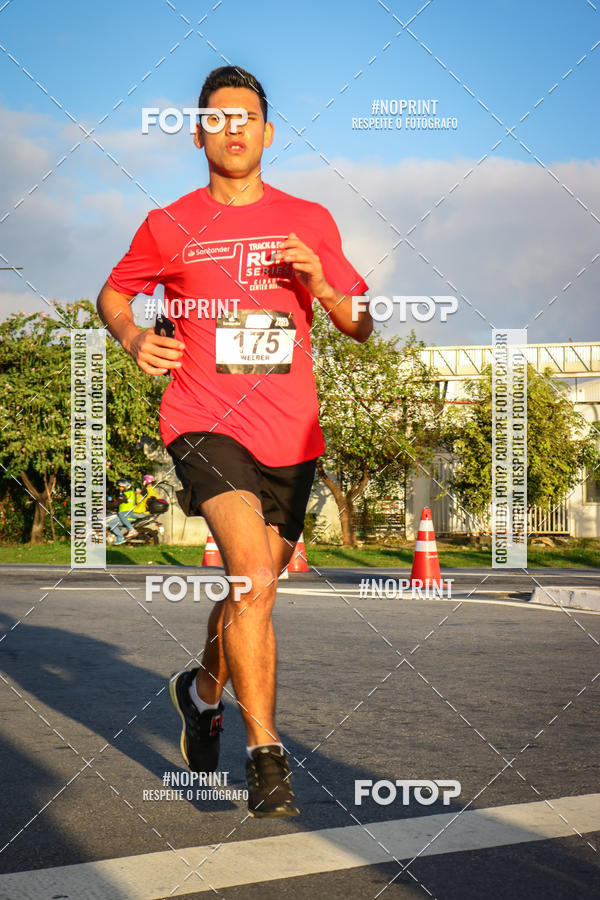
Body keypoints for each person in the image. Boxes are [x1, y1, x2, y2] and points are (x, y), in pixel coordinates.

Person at [97, 65, 372, 818]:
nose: (233, 130)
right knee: (250, 576)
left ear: (268, 131)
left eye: (246, 117)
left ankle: (201, 690)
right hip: (204, 421)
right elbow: (115, 294)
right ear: (198, 135)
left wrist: (323, 287)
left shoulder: (309, 220)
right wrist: (132, 337)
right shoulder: (168, 224)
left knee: (255, 590)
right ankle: (266, 755)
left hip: (292, 435)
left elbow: (360, 324)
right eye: (217, 119)